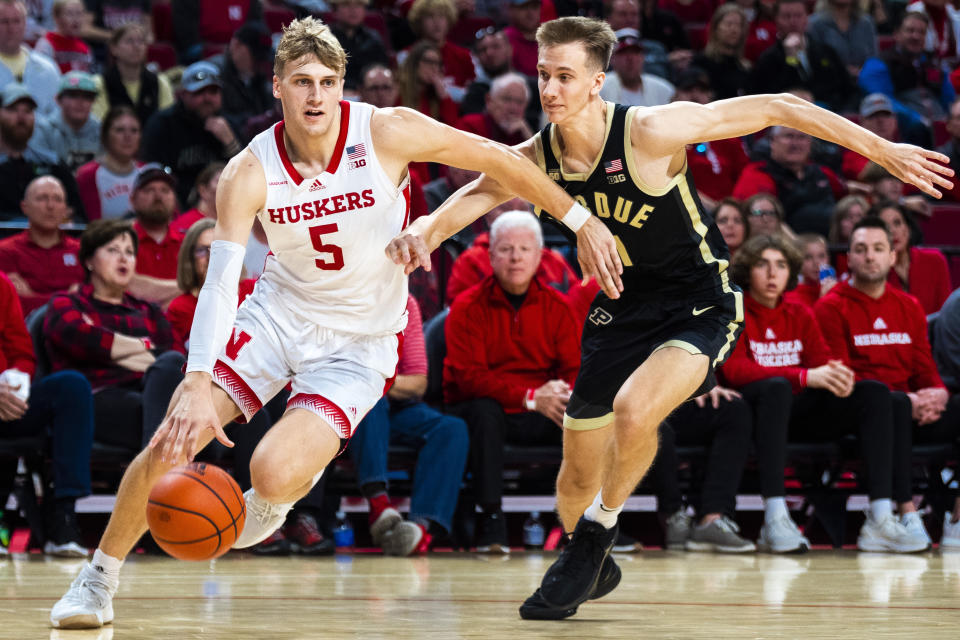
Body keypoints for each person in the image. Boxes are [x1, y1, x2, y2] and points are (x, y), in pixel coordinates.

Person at [50, 16, 619, 629]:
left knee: (271, 470)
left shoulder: (387, 131)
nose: (315, 95)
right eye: (301, 81)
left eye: (327, 81)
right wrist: (193, 382)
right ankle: (97, 578)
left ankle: (277, 494)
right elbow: (218, 283)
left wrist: (580, 220)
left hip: (361, 339)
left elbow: (497, 159)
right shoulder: (248, 170)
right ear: (277, 86)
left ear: (343, 84)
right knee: (174, 436)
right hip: (276, 317)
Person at [387, 16, 951, 620]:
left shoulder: (651, 131)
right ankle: (591, 552)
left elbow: (780, 106)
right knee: (575, 475)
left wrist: (881, 148)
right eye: (544, 75)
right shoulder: (540, 155)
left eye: (565, 77)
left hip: (697, 299)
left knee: (636, 409)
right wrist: (422, 229)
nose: (549, 90)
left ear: (598, 82)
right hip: (621, 306)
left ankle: (599, 534)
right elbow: (477, 192)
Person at [724, 234, 926, 552]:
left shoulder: (801, 314)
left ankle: (881, 517)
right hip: (756, 415)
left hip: (800, 414)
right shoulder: (734, 313)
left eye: (780, 265)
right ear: (748, 271)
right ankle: (775, 518)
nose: (773, 273)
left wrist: (838, 377)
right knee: (776, 388)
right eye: (763, 265)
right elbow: (736, 371)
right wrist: (804, 376)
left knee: (874, 392)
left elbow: (822, 364)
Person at [443, 211, 582, 552]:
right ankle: (491, 519)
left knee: (585, 415)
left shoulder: (559, 307)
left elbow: (575, 369)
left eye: (524, 249)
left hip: (543, 409)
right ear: (490, 255)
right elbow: (469, 377)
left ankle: (581, 522)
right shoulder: (467, 307)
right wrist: (530, 396)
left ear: (540, 256)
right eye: (505, 249)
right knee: (484, 411)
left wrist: (562, 394)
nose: (516, 257)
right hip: (488, 409)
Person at [815, 217, 950, 549]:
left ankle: (957, 516)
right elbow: (843, 375)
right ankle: (898, 513)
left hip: (909, 407)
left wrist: (938, 394)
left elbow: (924, 366)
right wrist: (909, 399)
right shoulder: (830, 306)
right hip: (857, 409)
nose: (870, 257)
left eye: (878, 249)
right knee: (888, 400)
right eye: (861, 250)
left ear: (893, 256)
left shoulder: (909, 305)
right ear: (849, 258)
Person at [43, 219, 185, 459]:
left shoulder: (149, 310)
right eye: (112, 250)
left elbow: (176, 360)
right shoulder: (67, 303)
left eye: (129, 252)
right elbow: (80, 339)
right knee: (161, 412)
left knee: (249, 418)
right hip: (94, 399)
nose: (123, 258)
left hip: (150, 395)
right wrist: (146, 346)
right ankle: (155, 479)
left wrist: (111, 349)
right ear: (89, 260)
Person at [348, 295, 468, 556]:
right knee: (370, 397)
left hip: (397, 400)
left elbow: (418, 382)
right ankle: (379, 505)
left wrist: (381, 382)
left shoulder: (406, 303)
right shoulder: (339, 296)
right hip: (351, 402)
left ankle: (420, 529)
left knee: (452, 430)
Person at [0, 272, 95, 558]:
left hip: (8, 401)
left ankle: (62, 515)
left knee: (71, 386)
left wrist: (15, 382)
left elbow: (22, 352)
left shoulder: (2, 284)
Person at [141, 61, 243, 206]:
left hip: (224, 206)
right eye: (199, 92)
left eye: (213, 92)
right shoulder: (162, 124)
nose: (207, 98)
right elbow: (153, 176)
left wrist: (230, 142)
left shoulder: (230, 124)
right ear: (182, 95)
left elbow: (246, 178)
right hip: (177, 207)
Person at [445, 209, 578, 302]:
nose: (516, 257)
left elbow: (575, 307)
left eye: (522, 209)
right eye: (506, 208)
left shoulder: (552, 260)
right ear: (488, 216)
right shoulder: (471, 260)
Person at [733, 126, 846, 236]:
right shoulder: (758, 174)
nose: (795, 144)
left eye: (802, 137)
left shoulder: (822, 172)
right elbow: (755, 216)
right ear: (772, 141)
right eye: (788, 136)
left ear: (810, 142)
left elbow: (845, 193)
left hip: (833, 246)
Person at [748, 0, 855, 112]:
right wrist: (791, 59)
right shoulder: (768, 58)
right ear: (776, 20)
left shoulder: (826, 52)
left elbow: (846, 89)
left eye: (798, 16)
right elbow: (763, 96)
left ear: (807, 18)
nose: (793, 22)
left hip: (828, 115)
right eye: (786, 17)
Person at [0, 175, 84, 315]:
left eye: (57, 199)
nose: (50, 206)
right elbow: (12, 306)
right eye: (42, 198)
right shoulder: (5, 251)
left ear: (66, 209)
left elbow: (90, 303)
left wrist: (32, 297)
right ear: (24, 207)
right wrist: (70, 299)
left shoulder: (82, 251)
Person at [0, 82, 84, 221]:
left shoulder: (53, 164)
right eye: (13, 109)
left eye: (28, 111)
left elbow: (78, 216)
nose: (21, 117)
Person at [858, 11, 955, 125]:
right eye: (910, 31)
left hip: (941, 129)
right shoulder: (878, 64)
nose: (916, 36)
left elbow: (950, 102)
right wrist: (918, 120)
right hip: (906, 131)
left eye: (921, 32)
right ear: (896, 34)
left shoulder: (934, 65)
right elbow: (883, 103)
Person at [871, 200, 951, 314]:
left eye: (897, 223)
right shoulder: (874, 268)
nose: (893, 231)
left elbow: (944, 313)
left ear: (908, 229)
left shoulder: (935, 260)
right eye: (885, 226)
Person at [91, 23, 174, 124]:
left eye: (141, 41)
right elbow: (100, 124)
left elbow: (167, 124)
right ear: (113, 48)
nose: (136, 46)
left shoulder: (160, 82)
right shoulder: (98, 83)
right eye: (129, 41)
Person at [126, 164, 184, 307]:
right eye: (149, 190)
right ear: (132, 200)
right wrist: (186, 288)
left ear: (175, 200)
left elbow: (203, 288)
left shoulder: (188, 242)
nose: (158, 197)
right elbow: (126, 284)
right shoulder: (119, 239)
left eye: (165, 190)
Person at [75, 106, 142, 221]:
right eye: (120, 130)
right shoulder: (88, 175)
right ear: (105, 136)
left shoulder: (149, 172)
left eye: (134, 130)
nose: (128, 136)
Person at [0, 0, 61, 117]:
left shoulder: (47, 68)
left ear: (25, 24)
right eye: (4, 22)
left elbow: (56, 114)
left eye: (16, 21)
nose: (11, 28)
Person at [33, 71, 101, 171]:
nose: (80, 102)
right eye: (73, 95)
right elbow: (39, 171)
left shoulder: (102, 131)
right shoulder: (43, 130)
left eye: (87, 96)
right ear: (58, 100)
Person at [691, 4, 751, 100]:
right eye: (729, 24)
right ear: (715, 28)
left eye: (739, 25)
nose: (734, 30)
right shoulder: (701, 62)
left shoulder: (745, 68)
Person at [455, 72, 533, 146]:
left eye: (519, 102)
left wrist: (530, 140)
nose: (513, 108)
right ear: (489, 101)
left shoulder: (524, 136)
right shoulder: (470, 126)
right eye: (507, 99)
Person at [598, 31, 674, 107]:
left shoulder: (664, 90)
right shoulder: (599, 89)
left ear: (643, 57)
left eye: (635, 53)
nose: (630, 59)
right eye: (623, 53)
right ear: (612, 59)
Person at [328, 0, 390, 92]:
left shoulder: (373, 39)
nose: (353, 10)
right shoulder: (325, 39)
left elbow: (381, 70)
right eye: (346, 4)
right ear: (335, 10)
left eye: (359, 5)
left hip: (368, 94)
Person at [806, 0, 878, 76]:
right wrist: (844, 71)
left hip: (865, 79)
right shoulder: (814, 24)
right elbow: (815, 61)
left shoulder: (866, 23)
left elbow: (873, 57)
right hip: (831, 80)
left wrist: (862, 71)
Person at [33, 0, 93, 73]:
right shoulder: (46, 44)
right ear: (56, 17)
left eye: (79, 13)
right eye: (70, 14)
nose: (76, 19)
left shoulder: (84, 48)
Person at [171, 162, 224, 235]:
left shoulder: (232, 224)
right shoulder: (184, 224)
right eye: (221, 181)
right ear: (203, 190)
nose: (228, 187)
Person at [784, 232, 836, 308]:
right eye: (808, 257)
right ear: (797, 261)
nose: (816, 262)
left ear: (828, 258)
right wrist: (824, 299)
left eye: (821, 256)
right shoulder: (790, 296)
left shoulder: (835, 288)